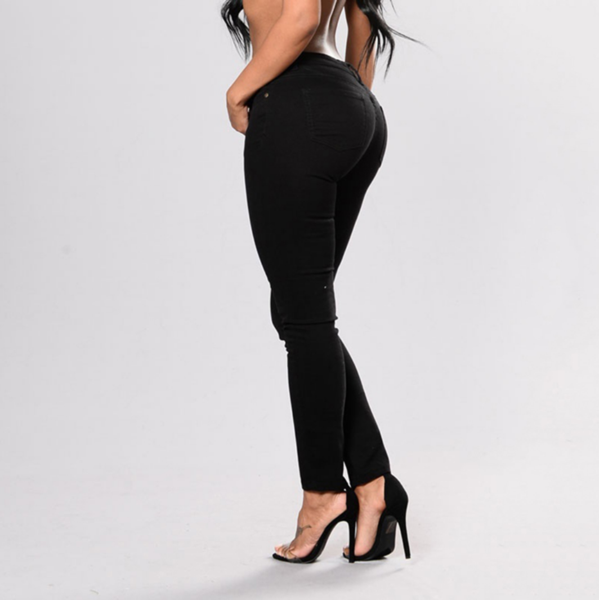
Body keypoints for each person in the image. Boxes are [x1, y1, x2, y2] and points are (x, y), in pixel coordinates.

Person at [222, 0, 420, 563]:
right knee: (298, 312)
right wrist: (348, 103)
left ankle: (323, 495)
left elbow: (302, 17)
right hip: (353, 105)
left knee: (305, 318)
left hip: (297, 105)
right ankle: (374, 487)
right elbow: (360, 20)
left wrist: (238, 91)